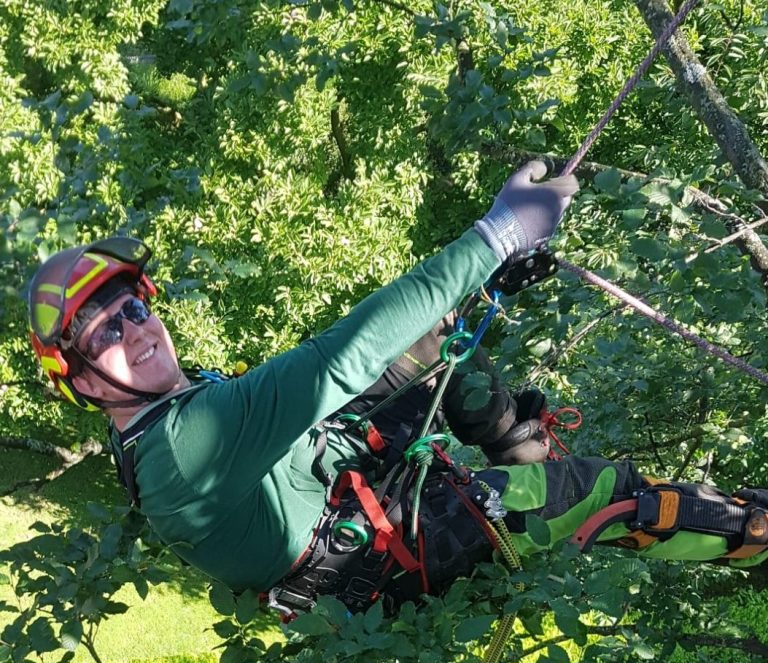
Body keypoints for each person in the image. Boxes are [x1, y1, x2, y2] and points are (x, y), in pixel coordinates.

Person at [27, 162, 768, 618]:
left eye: (133, 307)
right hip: (371, 567)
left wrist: (482, 289)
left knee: (447, 358)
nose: (135, 331)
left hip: (349, 506)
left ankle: (527, 465)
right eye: (102, 334)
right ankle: (753, 537)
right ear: (81, 380)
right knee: (608, 493)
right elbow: (341, 361)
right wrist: (494, 237)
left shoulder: (178, 413)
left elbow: (373, 375)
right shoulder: (186, 445)